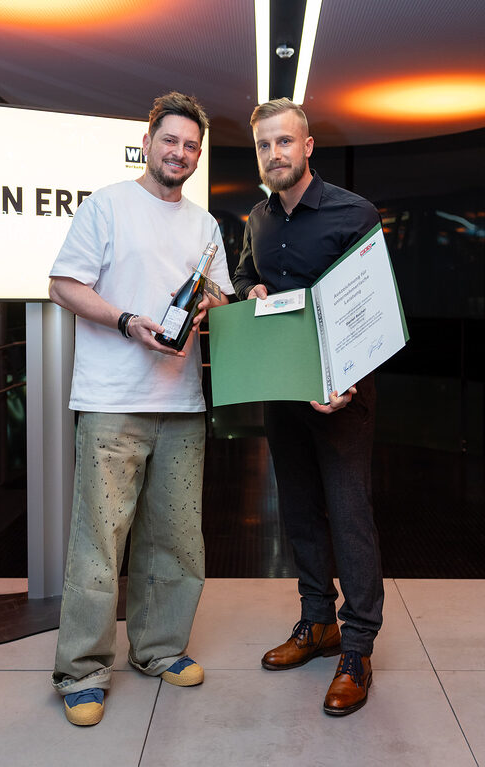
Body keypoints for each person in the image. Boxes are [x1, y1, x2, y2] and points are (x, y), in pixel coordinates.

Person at [49, 91, 233, 726]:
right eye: (170, 140)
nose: (179, 153)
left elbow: (220, 301)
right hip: (111, 402)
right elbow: (63, 285)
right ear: (148, 142)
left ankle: (158, 650)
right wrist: (127, 320)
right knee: (100, 542)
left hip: (181, 403)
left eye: (191, 146)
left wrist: (215, 305)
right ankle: (81, 670)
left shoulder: (205, 227)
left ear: (198, 156)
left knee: (176, 539)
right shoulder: (106, 205)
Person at [232, 98, 384, 717]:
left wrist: (348, 383)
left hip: (342, 392)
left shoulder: (354, 213)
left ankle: (357, 647)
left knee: (349, 516)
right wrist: (251, 287)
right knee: (298, 510)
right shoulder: (257, 219)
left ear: (308, 146)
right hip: (283, 387)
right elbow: (242, 276)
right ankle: (317, 622)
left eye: (284, 142)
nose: (275, 154)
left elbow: (373, 306)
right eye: (265, 145)